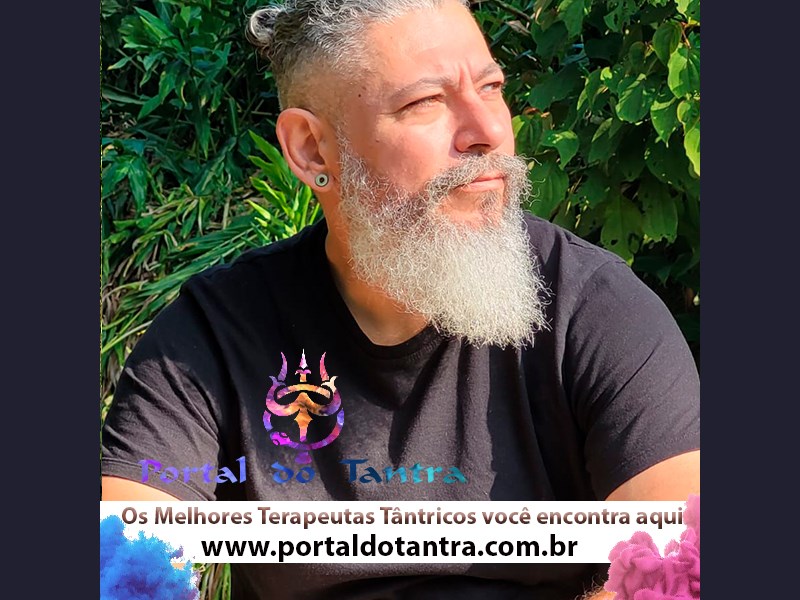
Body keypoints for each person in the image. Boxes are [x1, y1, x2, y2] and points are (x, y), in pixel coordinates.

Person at [101, 1, 700, 599]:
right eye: (426, 102)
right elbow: (121, 571)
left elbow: (681, 570)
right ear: (311, 150)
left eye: (491, 88)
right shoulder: (213, 336)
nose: (489, 132)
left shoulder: (592, 307)